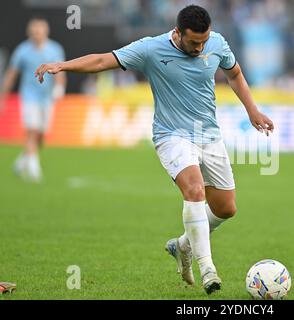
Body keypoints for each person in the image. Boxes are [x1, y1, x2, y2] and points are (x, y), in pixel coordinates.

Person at [34, 5, 274, 294]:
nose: (200, 47)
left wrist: (252, 111)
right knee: (195, 190)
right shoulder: (150, 49)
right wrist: (62, 65)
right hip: (171, 135)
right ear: (177, 33)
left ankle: (183, 245)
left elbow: (234, 74)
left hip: (209, 135)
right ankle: (208, 268)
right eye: (194, 42)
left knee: (226, 208)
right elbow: (101, 61)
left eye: (203, 41)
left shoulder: (218, 43)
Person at [0, 17, 66, 182]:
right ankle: (34, 170)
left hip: (46, 98)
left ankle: (23, 161)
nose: (37, 33)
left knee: (41, 136)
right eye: (34, 30)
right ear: (30, 32)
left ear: (46, 31)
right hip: (29, 96)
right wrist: (3, 96)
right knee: (32, 131)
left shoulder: (55, 49)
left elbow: (61, 71)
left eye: (40, 30)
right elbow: (11, 74)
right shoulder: (22, 50)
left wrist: (59, 88)